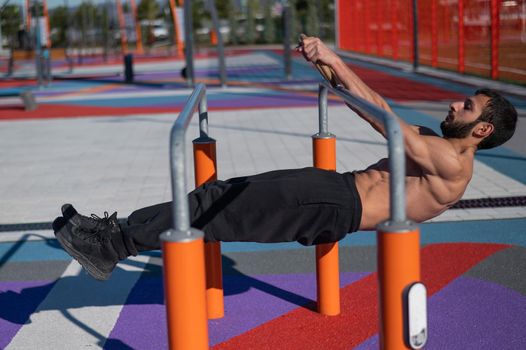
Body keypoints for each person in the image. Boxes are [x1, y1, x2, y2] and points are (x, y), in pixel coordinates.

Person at [52, 36, 518, 281]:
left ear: (482, 130)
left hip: (332, 205)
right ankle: (111, 234)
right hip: (330, 190)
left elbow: (385, 122)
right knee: (213, 196)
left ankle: (112, 247)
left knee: (214, 212)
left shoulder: (455, 165)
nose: (456, 105)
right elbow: (380, 107)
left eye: (468, 107)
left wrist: (337, 59)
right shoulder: (432, 141)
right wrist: (332, 74)